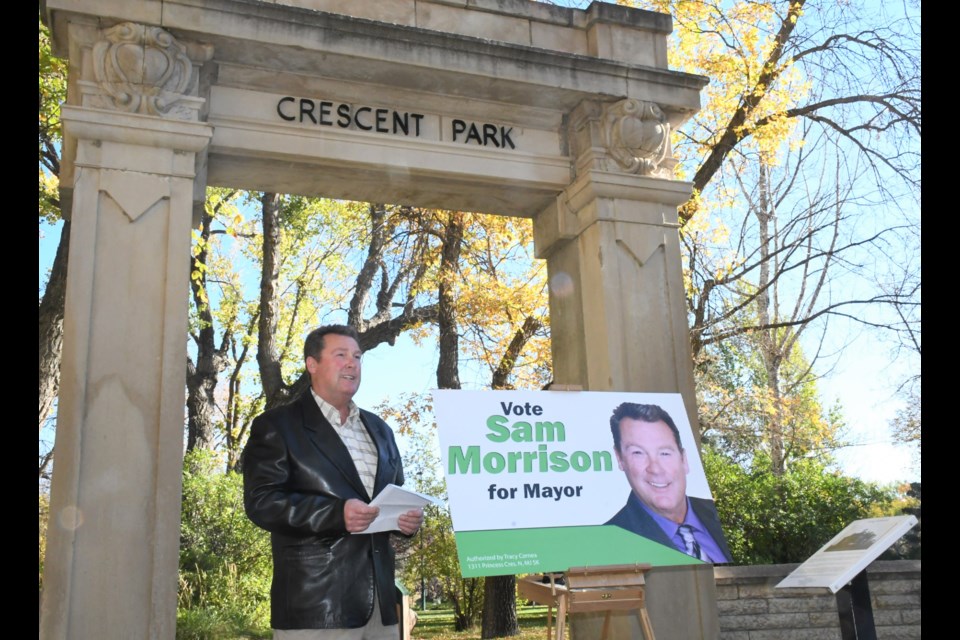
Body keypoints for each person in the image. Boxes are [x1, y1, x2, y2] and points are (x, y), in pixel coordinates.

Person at [243, 324, 424, 638]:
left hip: (381, 607)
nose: (352, 363)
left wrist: (404, 521)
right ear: (312, 364)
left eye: (356, 356)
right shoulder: (277, 425)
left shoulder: (381, 430)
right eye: (340, 355)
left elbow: (394, 495)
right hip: (316, 605)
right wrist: (336, 514)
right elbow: (262, 502)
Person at [605, 403, 732, 563]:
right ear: (620, 459)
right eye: (638, 453)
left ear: (684, 459)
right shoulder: (609, 538)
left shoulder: (718, 515)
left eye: (664, 453)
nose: (655, 469)